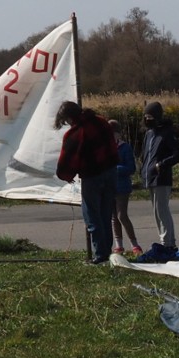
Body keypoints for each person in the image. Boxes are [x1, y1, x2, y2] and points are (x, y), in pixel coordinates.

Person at [54, 101, 118, 264]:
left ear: (69, 118)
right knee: (105, 215)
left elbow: (67, 162)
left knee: (92, 216)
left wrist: (65, 175)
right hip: (110, 172)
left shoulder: (75, 134)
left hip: (92, 177)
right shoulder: (101, 121)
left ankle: (101, 254)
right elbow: (112, 145)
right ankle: (107, 251)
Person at [140, 101, 179, 252]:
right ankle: (164, 240)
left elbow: (178, 155)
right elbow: (145, 155)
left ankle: (168, 243)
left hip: (161, 178)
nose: (147, 119)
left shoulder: (167, 132)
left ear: (157, 116)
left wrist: (161, 164)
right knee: (156, 211)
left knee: (162, 210)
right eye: (145, 116)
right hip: (150, 177)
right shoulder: (149, 134)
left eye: (150, 116)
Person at [108, 119, 143, 256]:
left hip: (122, 187)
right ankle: (119, 245)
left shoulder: (125, 147)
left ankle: (135, 244)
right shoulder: (105, 148)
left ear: (118, 134)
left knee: (121, 215)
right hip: (109, 187)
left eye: (112, 134)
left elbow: (131, 168)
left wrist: (114, 169)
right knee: (113, 218)